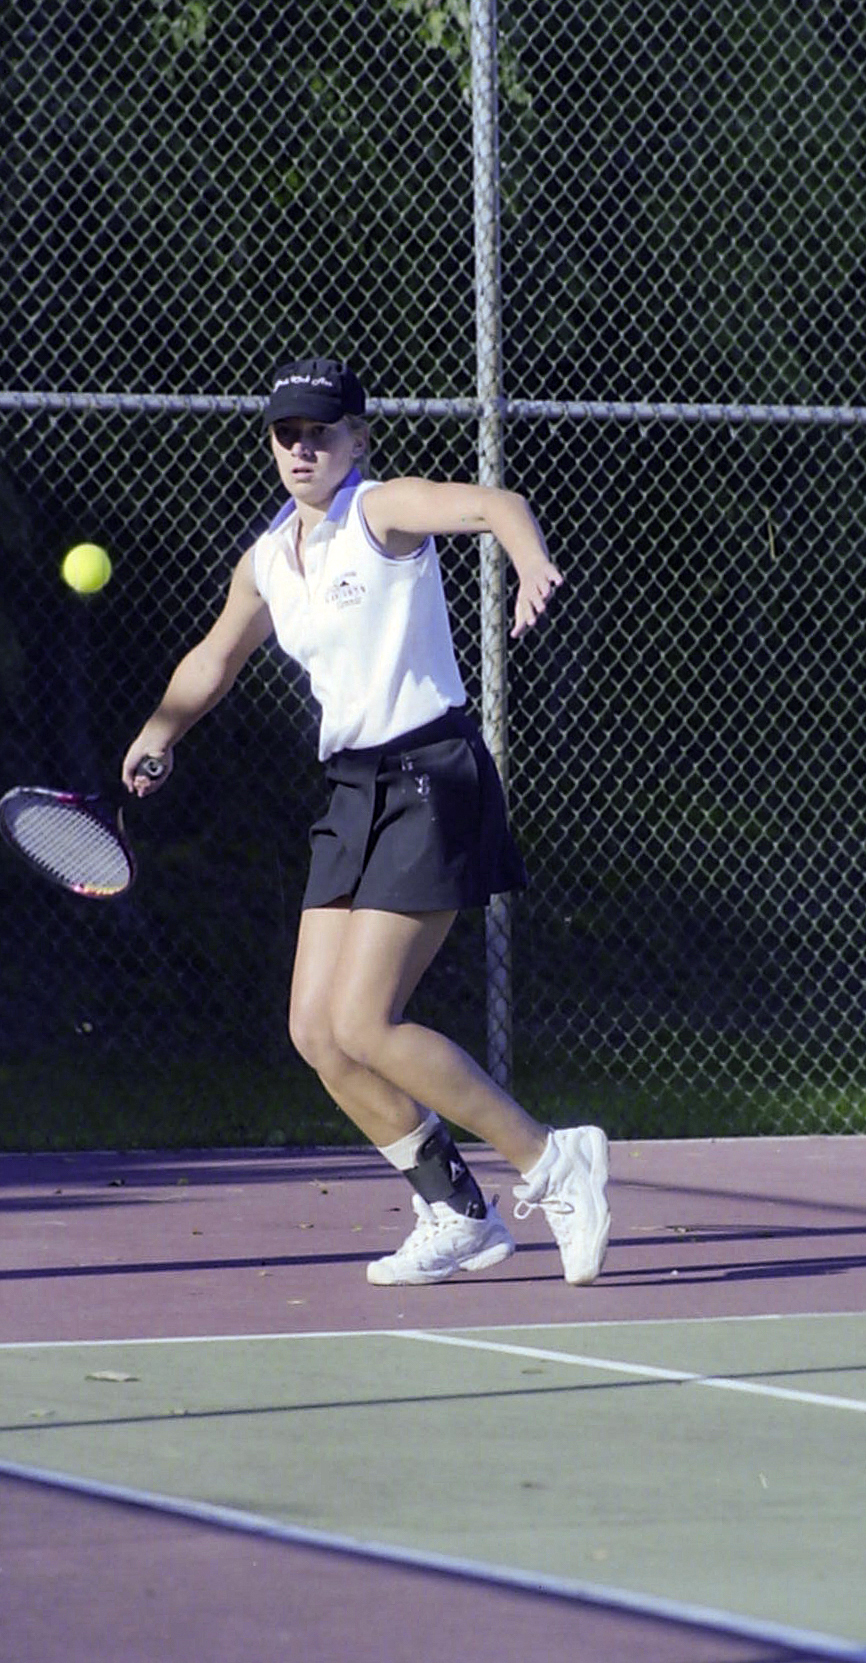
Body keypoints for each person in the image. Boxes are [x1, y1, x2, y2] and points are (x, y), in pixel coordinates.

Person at [122, 357, 610, 1287]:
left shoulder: (379, 510)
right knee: (318, 1030)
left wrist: (529, 560)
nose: (302, 448)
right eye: (287, 433)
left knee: (366, 1019)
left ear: (357, 439)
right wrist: (160, 730)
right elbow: (216, 655)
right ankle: (455, 1211)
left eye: (321, 432)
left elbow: (493, 504)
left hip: (432, 774)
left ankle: (553, 1159)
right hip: (352, 790)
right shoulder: (270, 559)